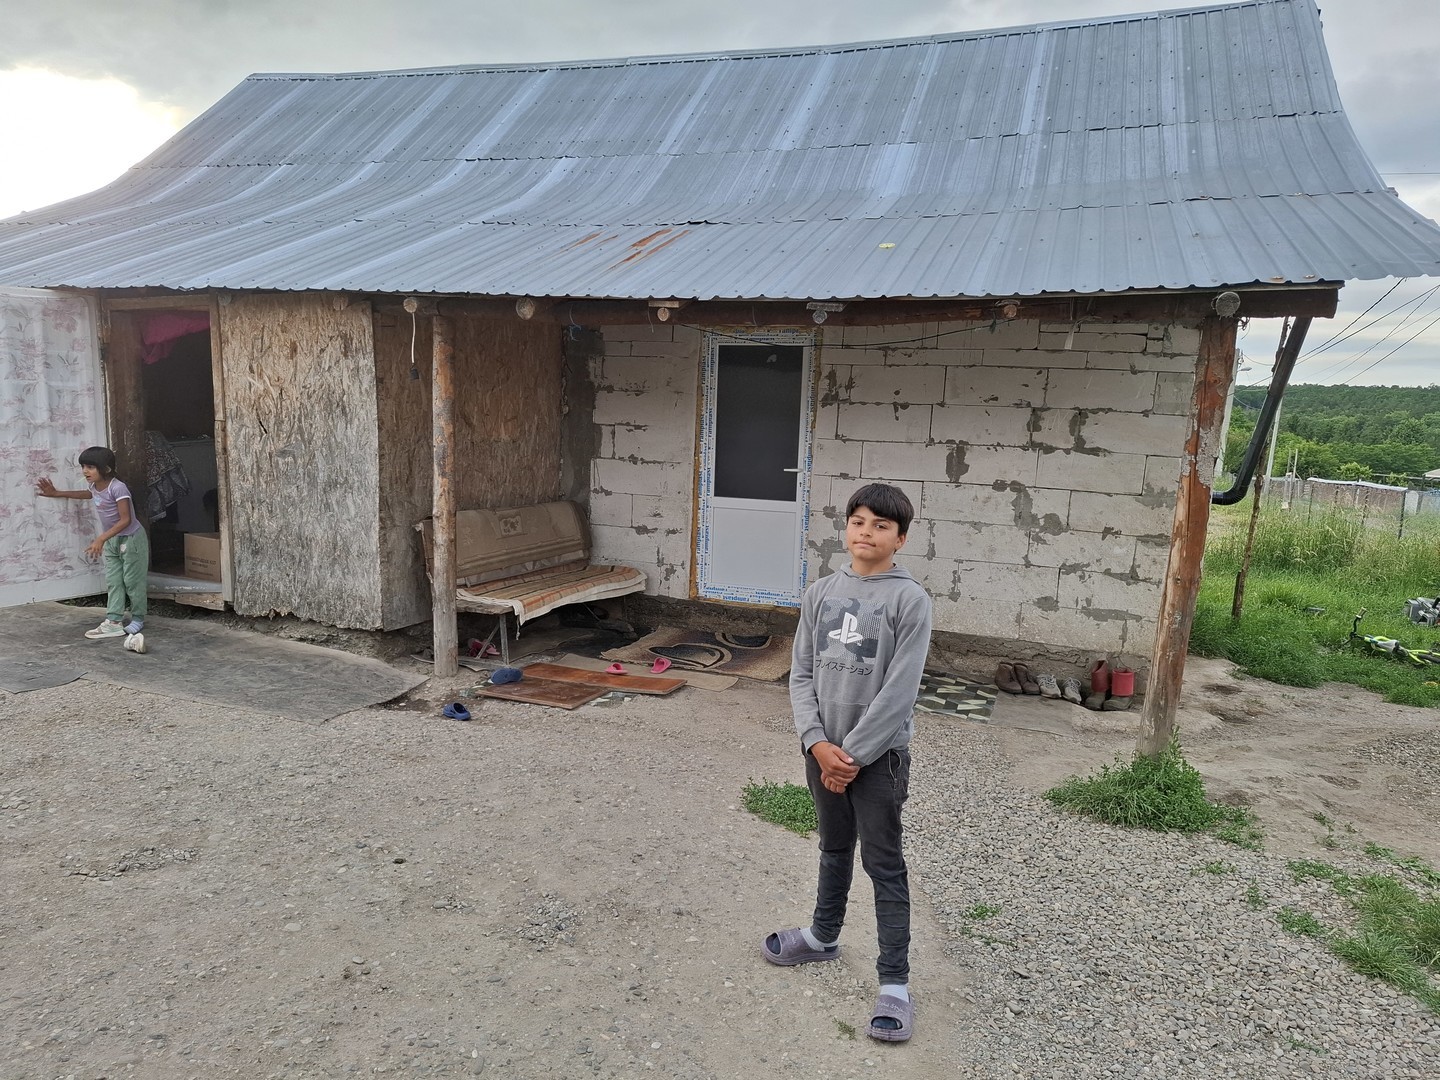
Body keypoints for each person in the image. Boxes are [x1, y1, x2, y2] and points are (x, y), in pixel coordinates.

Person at [762, 482, 933, 1043]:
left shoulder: (910, 601)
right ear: (846, 529)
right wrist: (817, 744)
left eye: (882, 525)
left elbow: (900, 691)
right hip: (822, 752)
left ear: (900, 539)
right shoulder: (820, 594)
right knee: (833, 847)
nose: (867, 531)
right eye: (858, 520)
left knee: (884, 863)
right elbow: (803, 672)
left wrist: (852, 755)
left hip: (876, 760)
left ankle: (895, 983)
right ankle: (822, 936)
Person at [37, 446, 150, 645]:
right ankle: (114, 620)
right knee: (114, 581)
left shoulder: (118, 487)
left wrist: (100, 539)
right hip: (113, 540)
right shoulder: (95, 486)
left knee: (132, 581)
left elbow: (126, 520)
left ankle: (138, 618)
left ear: (105, 469)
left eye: (90, 467)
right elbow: (88, 495)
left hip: (131, 540)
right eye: (83, 466)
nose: (85, 471)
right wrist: (56, 493)